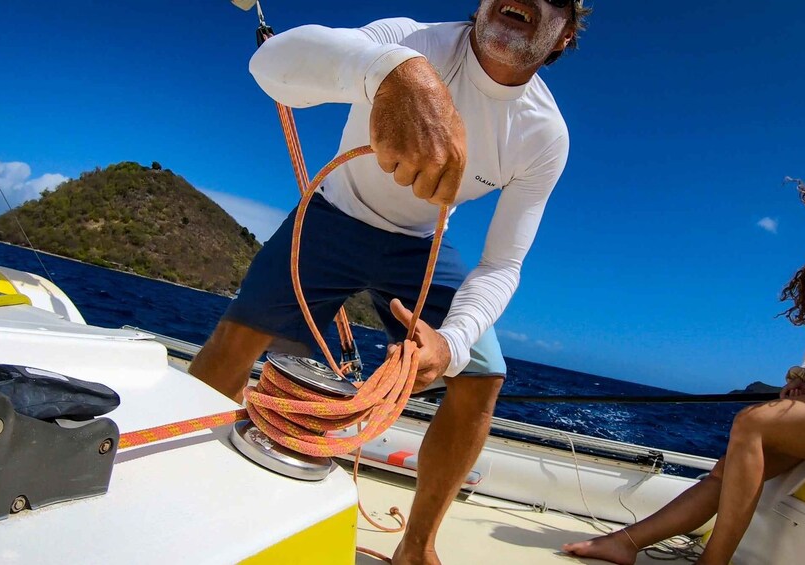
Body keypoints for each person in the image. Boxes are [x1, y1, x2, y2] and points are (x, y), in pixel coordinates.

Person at [189, 2, 592, 563]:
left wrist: (450, 345)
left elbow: (502, 264)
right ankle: (182, 480)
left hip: (420, 246)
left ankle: (417, 546)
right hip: (331, 215)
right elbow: (271, 66)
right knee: (235, 342)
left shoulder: (544, 135)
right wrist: (392, 71)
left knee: (481, 377)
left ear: (564, 34)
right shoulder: (411, 38)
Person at [563, 168, 805, 565]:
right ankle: (626, 542)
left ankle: (714, 561)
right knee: (725, 473)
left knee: (751, 422)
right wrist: (804, 371)